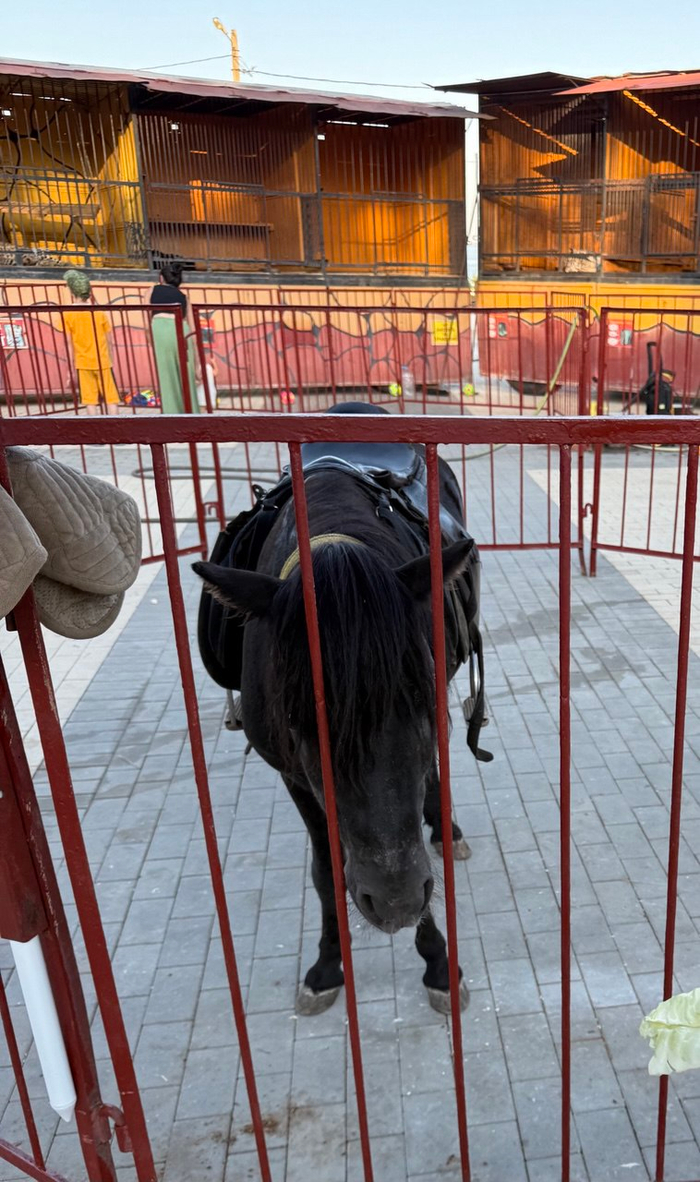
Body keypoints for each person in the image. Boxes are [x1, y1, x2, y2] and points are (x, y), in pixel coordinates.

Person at [62, 270, 120, 416]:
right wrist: (110, 358)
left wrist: (70, 369)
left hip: (83, 363)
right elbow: (109, 340)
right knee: (111, 398)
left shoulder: (68, 314)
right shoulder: (99, 312)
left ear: (72, 292)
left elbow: (69, 344)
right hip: (103, 362)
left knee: (89, 401)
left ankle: (95, 431)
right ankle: (116, 428)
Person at [149, 262, 200, 414]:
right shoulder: (184, 297)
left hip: (160, 329)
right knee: (187, 377)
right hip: (182, 331)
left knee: (167, 377)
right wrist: (197, 363)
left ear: (161, 278)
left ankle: (172, 416)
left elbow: (146, 318)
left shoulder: (152, 290)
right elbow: (192, 328)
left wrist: (150, 339)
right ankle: (192, 415)